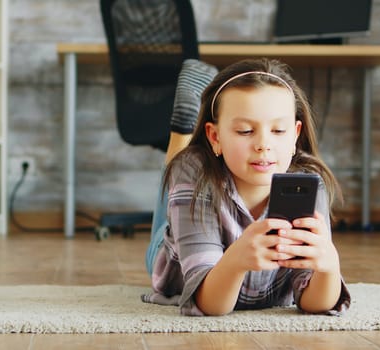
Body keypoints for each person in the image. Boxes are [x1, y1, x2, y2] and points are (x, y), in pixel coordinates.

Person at [142, 58, 351, 316]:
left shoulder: (309, 184)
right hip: (177, 250)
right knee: (179, 170)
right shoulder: (193, 173)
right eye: (244, 131)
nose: (264, 144)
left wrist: (328, 267)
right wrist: (236, 260)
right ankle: (180, 133)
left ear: (295, 135)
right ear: (215, 137)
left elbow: (314, 303)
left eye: (278, 130)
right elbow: (211, 306)